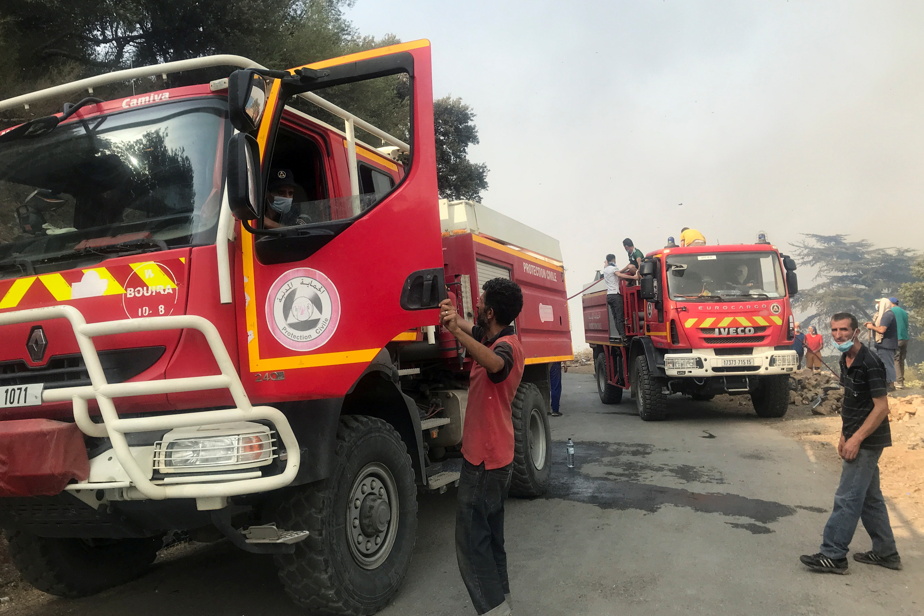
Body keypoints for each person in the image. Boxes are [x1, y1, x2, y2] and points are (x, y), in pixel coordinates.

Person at [440, 278, 525, 616]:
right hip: (495, 455)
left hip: (485, 459)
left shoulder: (505, 348)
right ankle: (502, 600)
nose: (476, 300)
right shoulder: (495, 336)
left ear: (490, 311)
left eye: (481, 299)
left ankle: (494, 610)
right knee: (490, 537)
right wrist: (453, 317)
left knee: (471, 544)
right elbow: (470, 329)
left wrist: (457, 334)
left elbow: (495, 365)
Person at [800, 312, 901, 574]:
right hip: (855, 435)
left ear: (856, 331)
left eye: (844, 330)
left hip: (868, 441)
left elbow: (881, 408)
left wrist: (856, 439)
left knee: (847, 497)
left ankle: (833, 554)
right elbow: (852, 402)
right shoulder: (847, 360)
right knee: (870, 498)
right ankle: (886, 552)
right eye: (834, 330)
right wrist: (844, 434)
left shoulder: (870, 362)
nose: (838, 335)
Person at [603, 253, 639, 339]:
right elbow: (619, 275)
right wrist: (634, 277)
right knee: (620, 317)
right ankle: (624, 336)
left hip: (609, 296)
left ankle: (621, 334)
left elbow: (618, 275)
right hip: (615, 295)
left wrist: (626, 268)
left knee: (615, 317)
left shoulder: (606, 270)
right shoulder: (613, 268)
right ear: (614, 260)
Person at [865, 298, 898, 389]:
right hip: (884, 344)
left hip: (886, 344)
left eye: (879, 303)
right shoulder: (886, 315)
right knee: (884, 364)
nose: (878, 305)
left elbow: (882, 329)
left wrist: (871, 327)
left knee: (887, 364)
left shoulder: (887, 315)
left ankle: (890, 384)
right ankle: (887, 382)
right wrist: (872, 325)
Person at [889, 297, 909, 389]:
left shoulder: (891, 311)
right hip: (905, 338)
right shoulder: (904, 312)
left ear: (890, 303)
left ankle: (898, 381)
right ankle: (901, 381)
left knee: (895, 359)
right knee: (901, 359)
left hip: (897, 337)